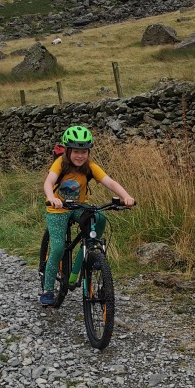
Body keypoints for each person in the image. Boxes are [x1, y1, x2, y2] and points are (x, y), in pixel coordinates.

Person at [40, 125, 134, 306]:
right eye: (76, 151)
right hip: (57, 209)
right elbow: (49, 181)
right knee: (58, 247)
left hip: (77, 206)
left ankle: (90, 252)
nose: (80, 155)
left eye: (84, 151)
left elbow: (110, 182)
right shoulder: (60, 163)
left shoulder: (90, 166)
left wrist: (126, 196)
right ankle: (48, 289)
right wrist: (51, 197)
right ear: (67, 150)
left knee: (99, 217)